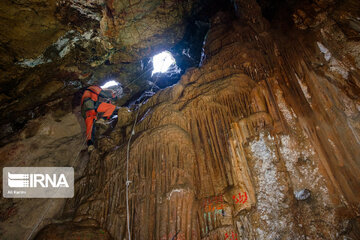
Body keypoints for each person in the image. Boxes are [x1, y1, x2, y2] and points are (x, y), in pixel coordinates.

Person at [81, 85, 117, 152]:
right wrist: (113, 95)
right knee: (111, 107)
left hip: (86, 111)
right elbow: (103, 94)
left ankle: (90, 145)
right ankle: (102, 119)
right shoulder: (93, 87)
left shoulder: (88, 93)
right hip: (90, 104)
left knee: (90, 128)